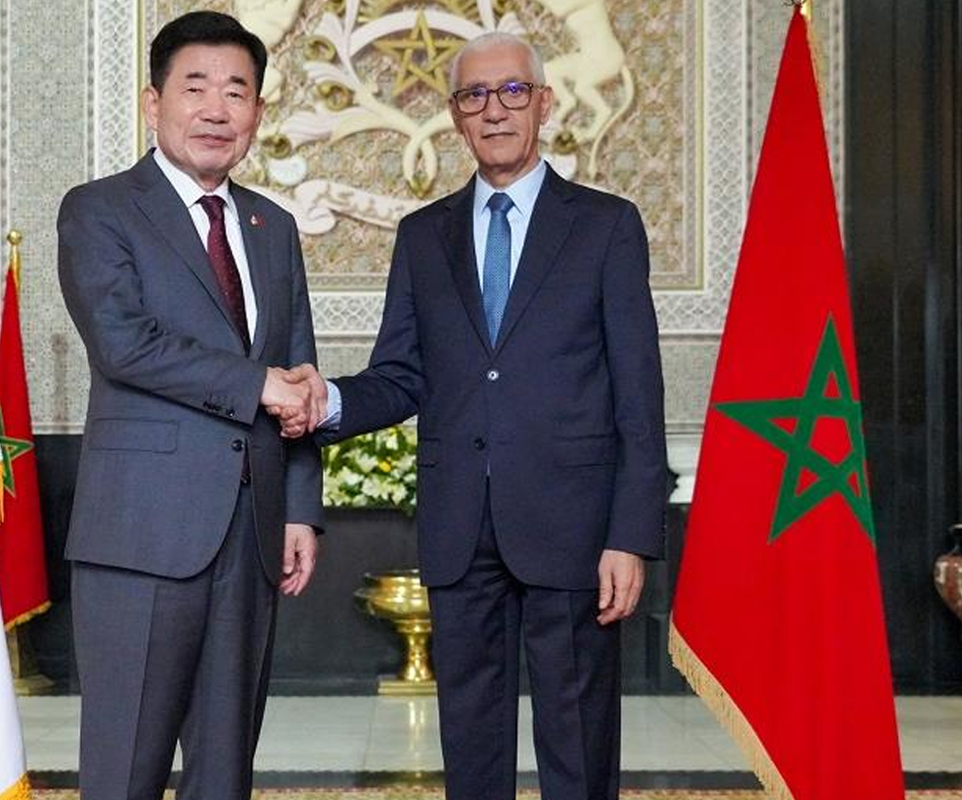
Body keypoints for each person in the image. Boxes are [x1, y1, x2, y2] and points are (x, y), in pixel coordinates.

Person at [291, 31, 668, 800]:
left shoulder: (606, 226)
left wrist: (630, 536)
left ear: (545, 104)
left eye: (512, 91)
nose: (494, 110)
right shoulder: (422, 236)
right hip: (460, 529)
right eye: (474, 95)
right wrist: (325, 399)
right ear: (456, 115)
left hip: (575, 529)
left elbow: (639, 393)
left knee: (578, 742)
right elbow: (400, 375)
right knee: (470, 744)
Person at [56, 11, 324, 800]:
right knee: (126, 769)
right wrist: (257, 384)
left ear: (257, 114)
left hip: (251, 534)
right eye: (195, 88)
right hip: (141, 536)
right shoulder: (100, 209)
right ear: (153, 102)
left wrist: (300, 508)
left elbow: (299, 368)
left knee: (225, 771)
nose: (216, 109)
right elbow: (124, 344)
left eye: (236, 92)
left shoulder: (272, 227)